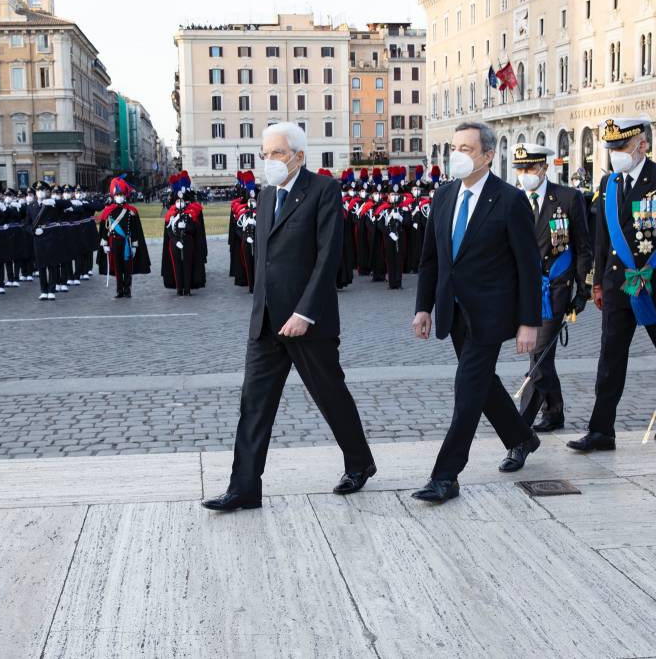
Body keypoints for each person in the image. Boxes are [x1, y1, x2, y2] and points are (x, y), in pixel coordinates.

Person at [203, 122, 377, 512]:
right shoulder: (266, 195)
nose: (269, 160)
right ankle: (244, 488)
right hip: (266, 323)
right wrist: (259, 309)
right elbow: (264, 261)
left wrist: (305, 312)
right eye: (265, 153)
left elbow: (328, 256)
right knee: (254, 404)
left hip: (306, 322)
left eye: (277, 153)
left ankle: (359, 462)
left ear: (298, 155)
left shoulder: (323, 190)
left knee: (330, 395)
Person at [411, 122, 542, 504]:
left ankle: (445, 476)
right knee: (483, 384)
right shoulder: (444, 195)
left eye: (466, 149)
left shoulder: (509, 200)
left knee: (467, 388)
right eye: (455, 148)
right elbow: (431, 259)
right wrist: (423, 307)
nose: (457, 155)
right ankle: (521, 437)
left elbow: (529, 266)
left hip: (491, 314)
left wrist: (529, 322)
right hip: (453, 311)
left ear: (487, 155)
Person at [569, 117, 656, 451]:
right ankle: (601, 430)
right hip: (618, 284)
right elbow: (602, 238)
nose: (616, 153)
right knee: (610, 358)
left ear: (642, 145)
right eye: (612, 148)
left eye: (622, 147)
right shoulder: (609, 183)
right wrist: (597, 283)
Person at [511, 143, 593, 432]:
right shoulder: (513, 200)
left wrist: (583, 290)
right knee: (541, 355)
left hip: (554, 287)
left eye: (530, 168)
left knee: (539, 352)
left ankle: (521, 425)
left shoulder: (568, 198)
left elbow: (583, 247)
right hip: (523, 289)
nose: (524, 174)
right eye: (520, 169)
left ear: (544, 168)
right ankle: (554, 411)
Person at [99, 177, 150, 298]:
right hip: (114, 242)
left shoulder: (131, 211)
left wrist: (135, 245)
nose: (119, 197)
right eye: (117, 195)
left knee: (127, 267)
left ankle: (127, 290)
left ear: (125, 195)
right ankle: (119, 290)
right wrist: (104, 243)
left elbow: (135, 229)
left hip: (127, 242)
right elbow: (104, 229)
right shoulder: (108, 211)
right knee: (117, 267)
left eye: (121, 194)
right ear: (114, 196)